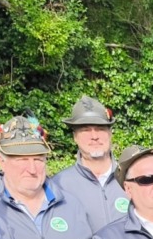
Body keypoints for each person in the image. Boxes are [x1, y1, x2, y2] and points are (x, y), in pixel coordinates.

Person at [52, 96, 127, 231]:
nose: (94, 136)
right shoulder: (59, 185)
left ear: (110, 133)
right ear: (75, 137)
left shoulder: (134, 177)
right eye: (85, 130)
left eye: (100, 129)